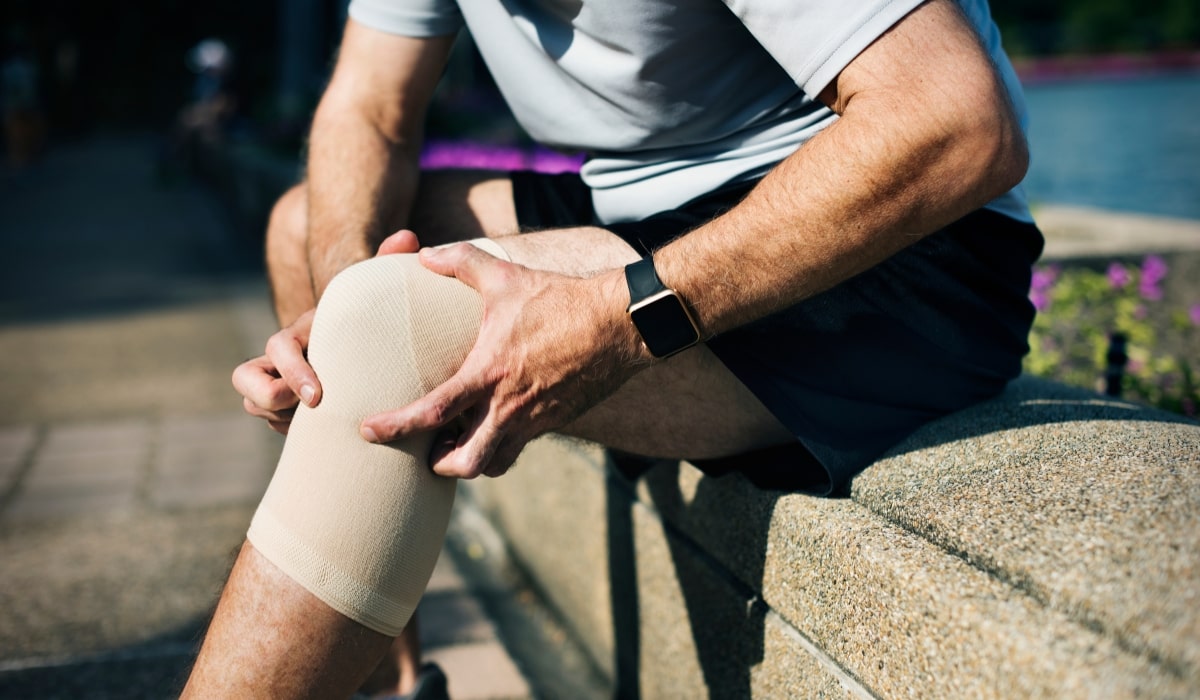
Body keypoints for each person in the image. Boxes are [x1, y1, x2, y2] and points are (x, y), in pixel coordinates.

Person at [183, 0, 1042, 696]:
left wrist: (621, 320)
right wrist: (334, 299)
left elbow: (957, 119)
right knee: (310, 233)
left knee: (389, 322)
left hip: (894, 249)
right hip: (643, 213)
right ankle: (392, 682)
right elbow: (369, 108)